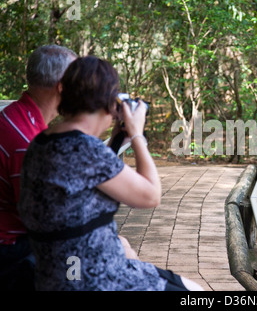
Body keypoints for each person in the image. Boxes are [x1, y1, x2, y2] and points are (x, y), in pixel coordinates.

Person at [17, 56, 203, 291]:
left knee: (131, 252)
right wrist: (136, 136)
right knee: (195, 292)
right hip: (93, 279)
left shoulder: (43, 142)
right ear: (108, 103)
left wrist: (116, 139)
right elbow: (150, 196)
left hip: (56, 271)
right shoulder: (84, 149)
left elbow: (87, 172)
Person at [0, 45, 77, 290]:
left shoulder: (18, 116)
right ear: (62, 87)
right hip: (11, 249)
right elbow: (46, 219)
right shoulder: (27, 141)